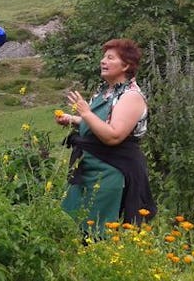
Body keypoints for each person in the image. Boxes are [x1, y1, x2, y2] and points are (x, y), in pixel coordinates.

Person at [55, 38, 156, 235]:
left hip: (111, 169)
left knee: (97, 231)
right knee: (70, 223)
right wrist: (74, 119)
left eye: (110, 58)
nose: (103, 61)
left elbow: (113, 136)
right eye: (104, 57)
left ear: (126, 65)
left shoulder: (130, 96)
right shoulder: (106, 92)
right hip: (88, 167)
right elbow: (100, 124)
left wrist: (85, 113)